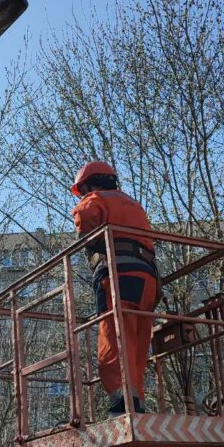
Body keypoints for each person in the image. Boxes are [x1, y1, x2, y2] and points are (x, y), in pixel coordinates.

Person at [71, 161, 159, 416]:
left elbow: (85, 217)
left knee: (113, 336)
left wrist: (87, 238)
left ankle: (121, 402)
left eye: (83, 190)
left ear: (88, 185)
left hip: (118, 278)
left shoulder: (95, 200)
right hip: (148, 279)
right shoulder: (134, 205)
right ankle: (136, 400)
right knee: (137, 340)